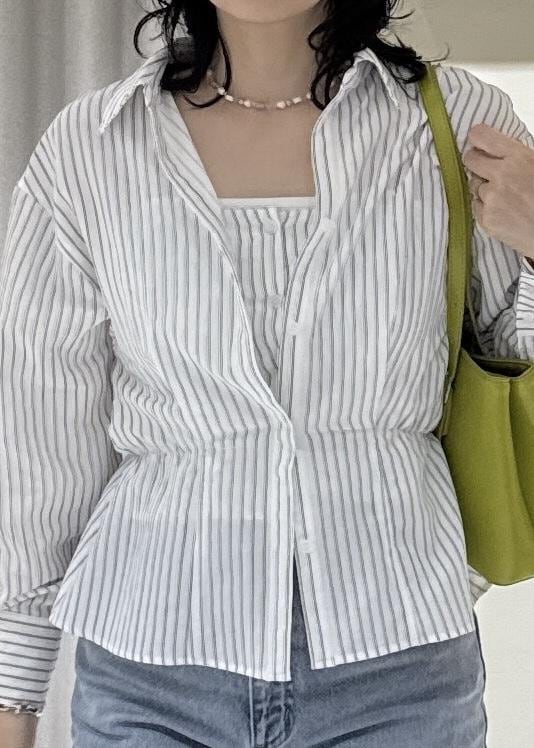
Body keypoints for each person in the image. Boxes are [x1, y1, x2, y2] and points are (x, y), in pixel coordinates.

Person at [1, 1, 534, 746]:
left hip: (399, 673)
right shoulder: (91, 146)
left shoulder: (461, 124)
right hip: (152, 672)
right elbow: (43, 435)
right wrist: (14, 690)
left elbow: (512, 362)